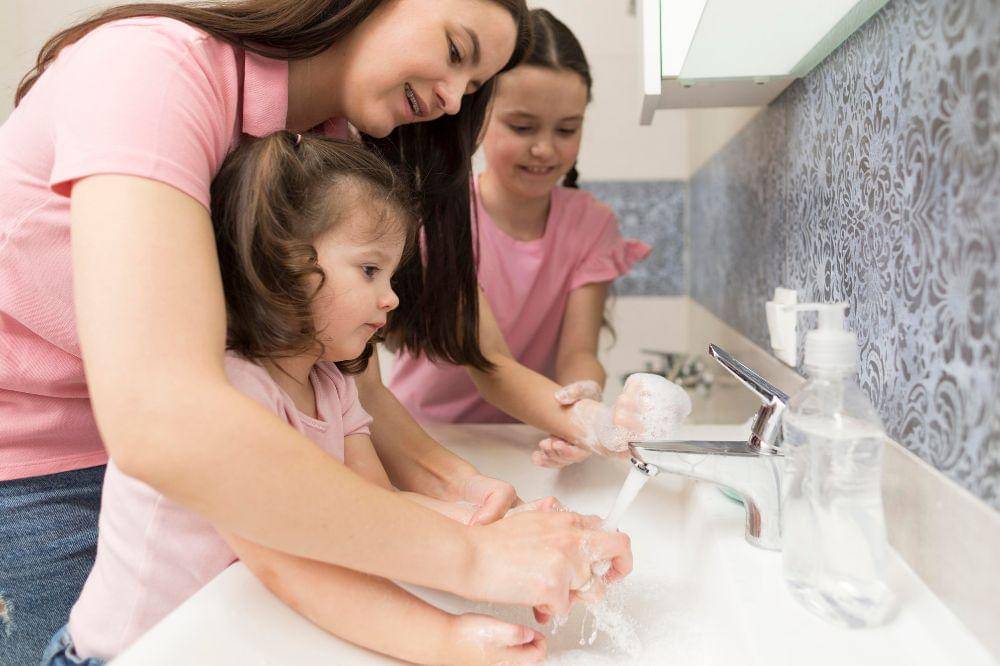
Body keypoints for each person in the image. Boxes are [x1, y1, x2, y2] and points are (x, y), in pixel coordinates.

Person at [0, 2, 641, 662]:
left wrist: (483, 507)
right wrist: (471, 557)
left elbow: (352, 390)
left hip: (199, 466)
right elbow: (166, 423)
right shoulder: (154, 73)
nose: (452, 102)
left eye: (473, 89)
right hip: (39, 480)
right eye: (455, 52)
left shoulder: (324, 146)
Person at [42, 133, 593, 665]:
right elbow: (289, 568)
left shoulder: (333, 386)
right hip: (131, 652)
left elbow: (376, 509)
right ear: (285, 263)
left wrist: (502, 526)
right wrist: (445, 639)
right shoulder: (233, 390)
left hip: (218, 635)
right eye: (370, 270)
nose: (392, 296)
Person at [387, 9, 651, 467]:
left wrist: (583, 398)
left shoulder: (592, 225)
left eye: (566, 129)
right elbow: (489, 364)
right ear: (480, 114)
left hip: (527, 437)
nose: (545, 148)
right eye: (523, 127)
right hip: (427, 438)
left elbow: (578, 353)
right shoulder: (444, 217)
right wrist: (582, 421)